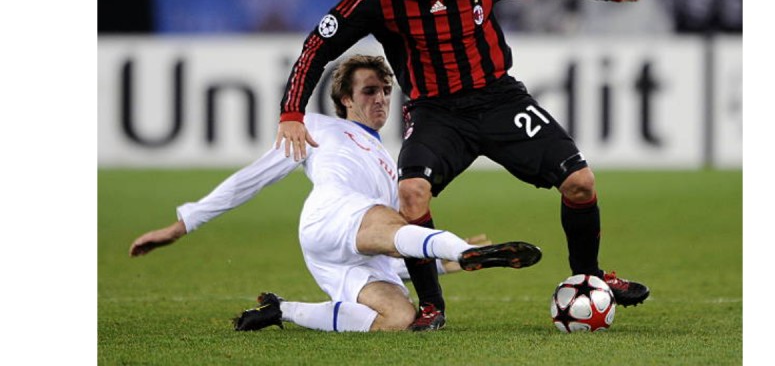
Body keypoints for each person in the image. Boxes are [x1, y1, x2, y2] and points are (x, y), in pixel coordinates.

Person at [274, 0, 650, 331]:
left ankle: (590, 276)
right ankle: (432, 306)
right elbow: (316, 47)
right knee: (412, 193)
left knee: (580, 183)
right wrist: (292, 111)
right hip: (436, 114)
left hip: (499, 100)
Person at [129, 54, 541, 333]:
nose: (380, 98)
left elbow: (386, 246)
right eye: (369, 91)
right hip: (330, 216)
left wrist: (438, 267)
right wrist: (183, 224)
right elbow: (252, 178)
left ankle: (281, 310)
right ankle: (457, 249)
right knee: (393, 219)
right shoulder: (317, 126)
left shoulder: (386, 159)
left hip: (345, 256)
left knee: (397, 317)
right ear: (345, 98)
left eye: (384, 90)